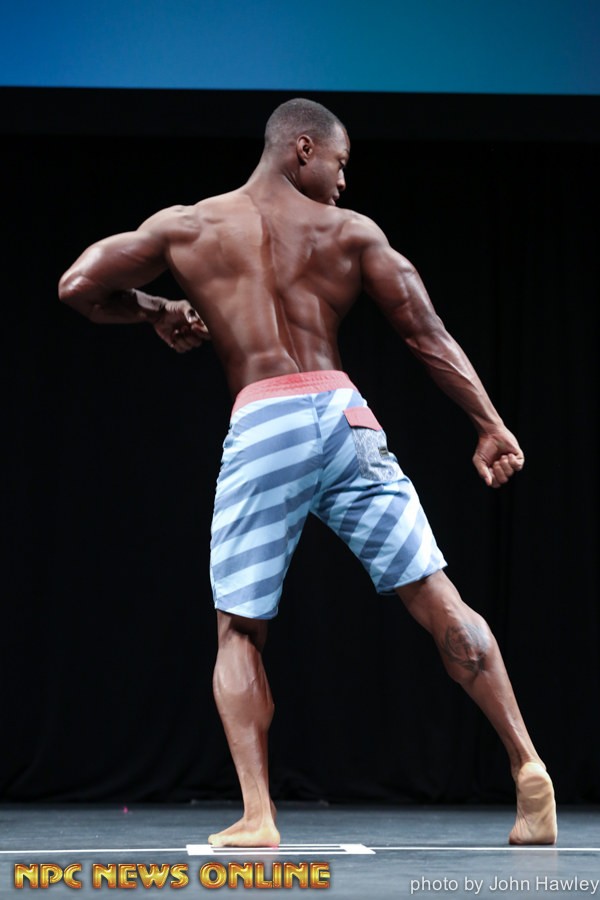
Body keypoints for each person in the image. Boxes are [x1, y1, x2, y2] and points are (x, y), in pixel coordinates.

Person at [59, 98, 557, 849]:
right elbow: (427, 335)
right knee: (437, 595)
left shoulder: (187, 226)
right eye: (339, 162)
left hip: (265, 419)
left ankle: (259, 815)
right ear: (301, 148)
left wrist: (158, 309)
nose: (343, 181)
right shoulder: (351, 234)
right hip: (347, 415)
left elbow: (78, 286)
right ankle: (527, 763)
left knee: (239, 627)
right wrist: (489, 424)